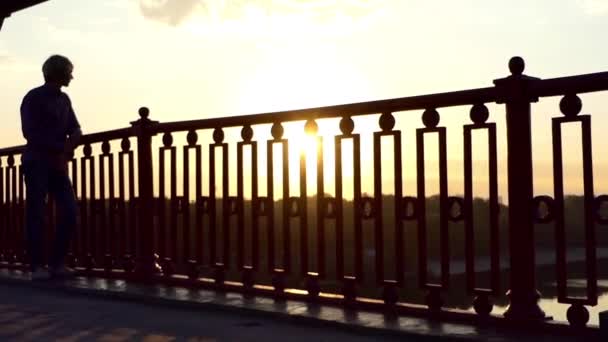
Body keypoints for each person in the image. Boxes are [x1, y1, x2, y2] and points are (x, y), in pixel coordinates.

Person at [20, 55, 82, 280]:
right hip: (37, 162)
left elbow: (75, 128)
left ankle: (57, 263)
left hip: (57, 164)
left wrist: (69, 146)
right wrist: (61, 149)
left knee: (70, 211)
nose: (72, 77)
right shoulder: (33, 98)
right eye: (69, 72)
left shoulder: (64, 100)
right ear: (58, 73)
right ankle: (37, 266)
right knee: (36, 214)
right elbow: (30, 133)